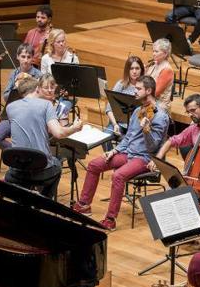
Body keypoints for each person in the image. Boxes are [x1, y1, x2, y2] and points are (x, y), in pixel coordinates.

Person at [72, 76, 170, 231]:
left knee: (117, 176)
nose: (134, 91)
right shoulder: (138, 110)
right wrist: (114, 150)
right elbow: (129, 137)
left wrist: (146, 131)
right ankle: (84, 205)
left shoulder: (160, 116)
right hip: (127, 153)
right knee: (94, 165)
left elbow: (153, 146)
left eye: (138, 89)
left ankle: (110, 219)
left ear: (149, 91)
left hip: (144, 158)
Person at [5, 77, 82, 199]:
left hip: (16, 169)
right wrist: (75, 128)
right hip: (40, 169)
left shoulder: (10, 107)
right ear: (37, 89)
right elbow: (59, 134)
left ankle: (24, 198)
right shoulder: (46, 105)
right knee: (57, 165)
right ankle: (44, 202)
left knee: (14, 177)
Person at [103, 55, 145, 150]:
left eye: (137, 68)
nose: (134, 71)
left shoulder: (144, 87)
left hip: (136, 127)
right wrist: (115, 125)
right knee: (105, 137)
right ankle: (111, 162)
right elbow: (109, 108)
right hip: (119, 124)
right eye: (131, 69)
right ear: (127, 70)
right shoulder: (120, 84)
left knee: (127, 145)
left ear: (141, 70)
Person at [147, 38, 174, 112]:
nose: (153, 54)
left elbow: (155, 92)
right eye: (153, 51)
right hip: (149, 99)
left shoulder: (166, 70)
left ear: (165, 53)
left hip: (159, 106)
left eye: (156, 51)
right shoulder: (154, 64)